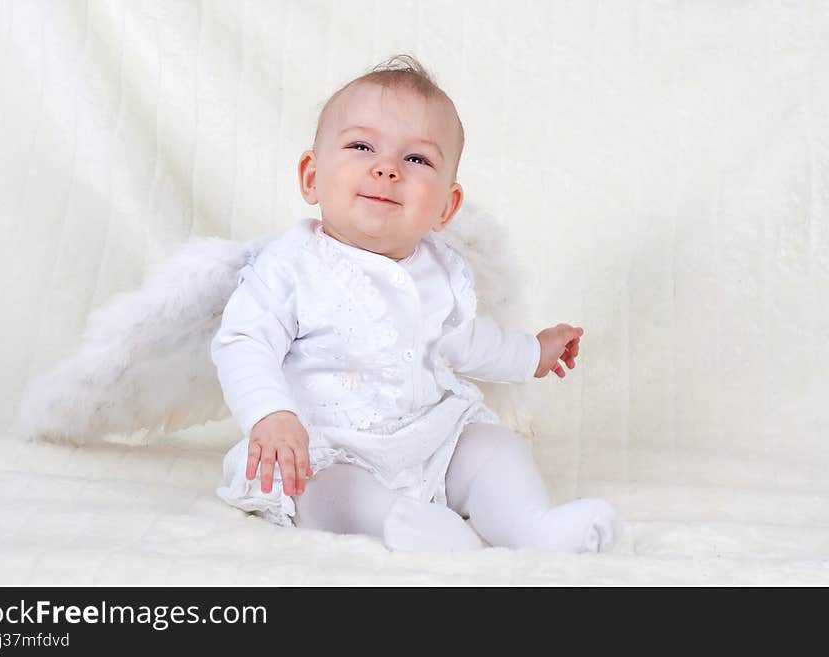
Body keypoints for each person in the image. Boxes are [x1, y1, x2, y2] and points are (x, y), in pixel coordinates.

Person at [211, 54, 620, 552]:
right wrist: (270, 414)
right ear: (311, 176)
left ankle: (534, 527)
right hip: (326, 445)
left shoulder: (442, 269)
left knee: (496, 450)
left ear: (446, 206)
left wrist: (533, 353)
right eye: (361, 146)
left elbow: (467, 342)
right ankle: (398, 524)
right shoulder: (289, 265)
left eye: (417, 160)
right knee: (324, 494)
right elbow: (243, 342)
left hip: (431, 437)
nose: (386, 169)